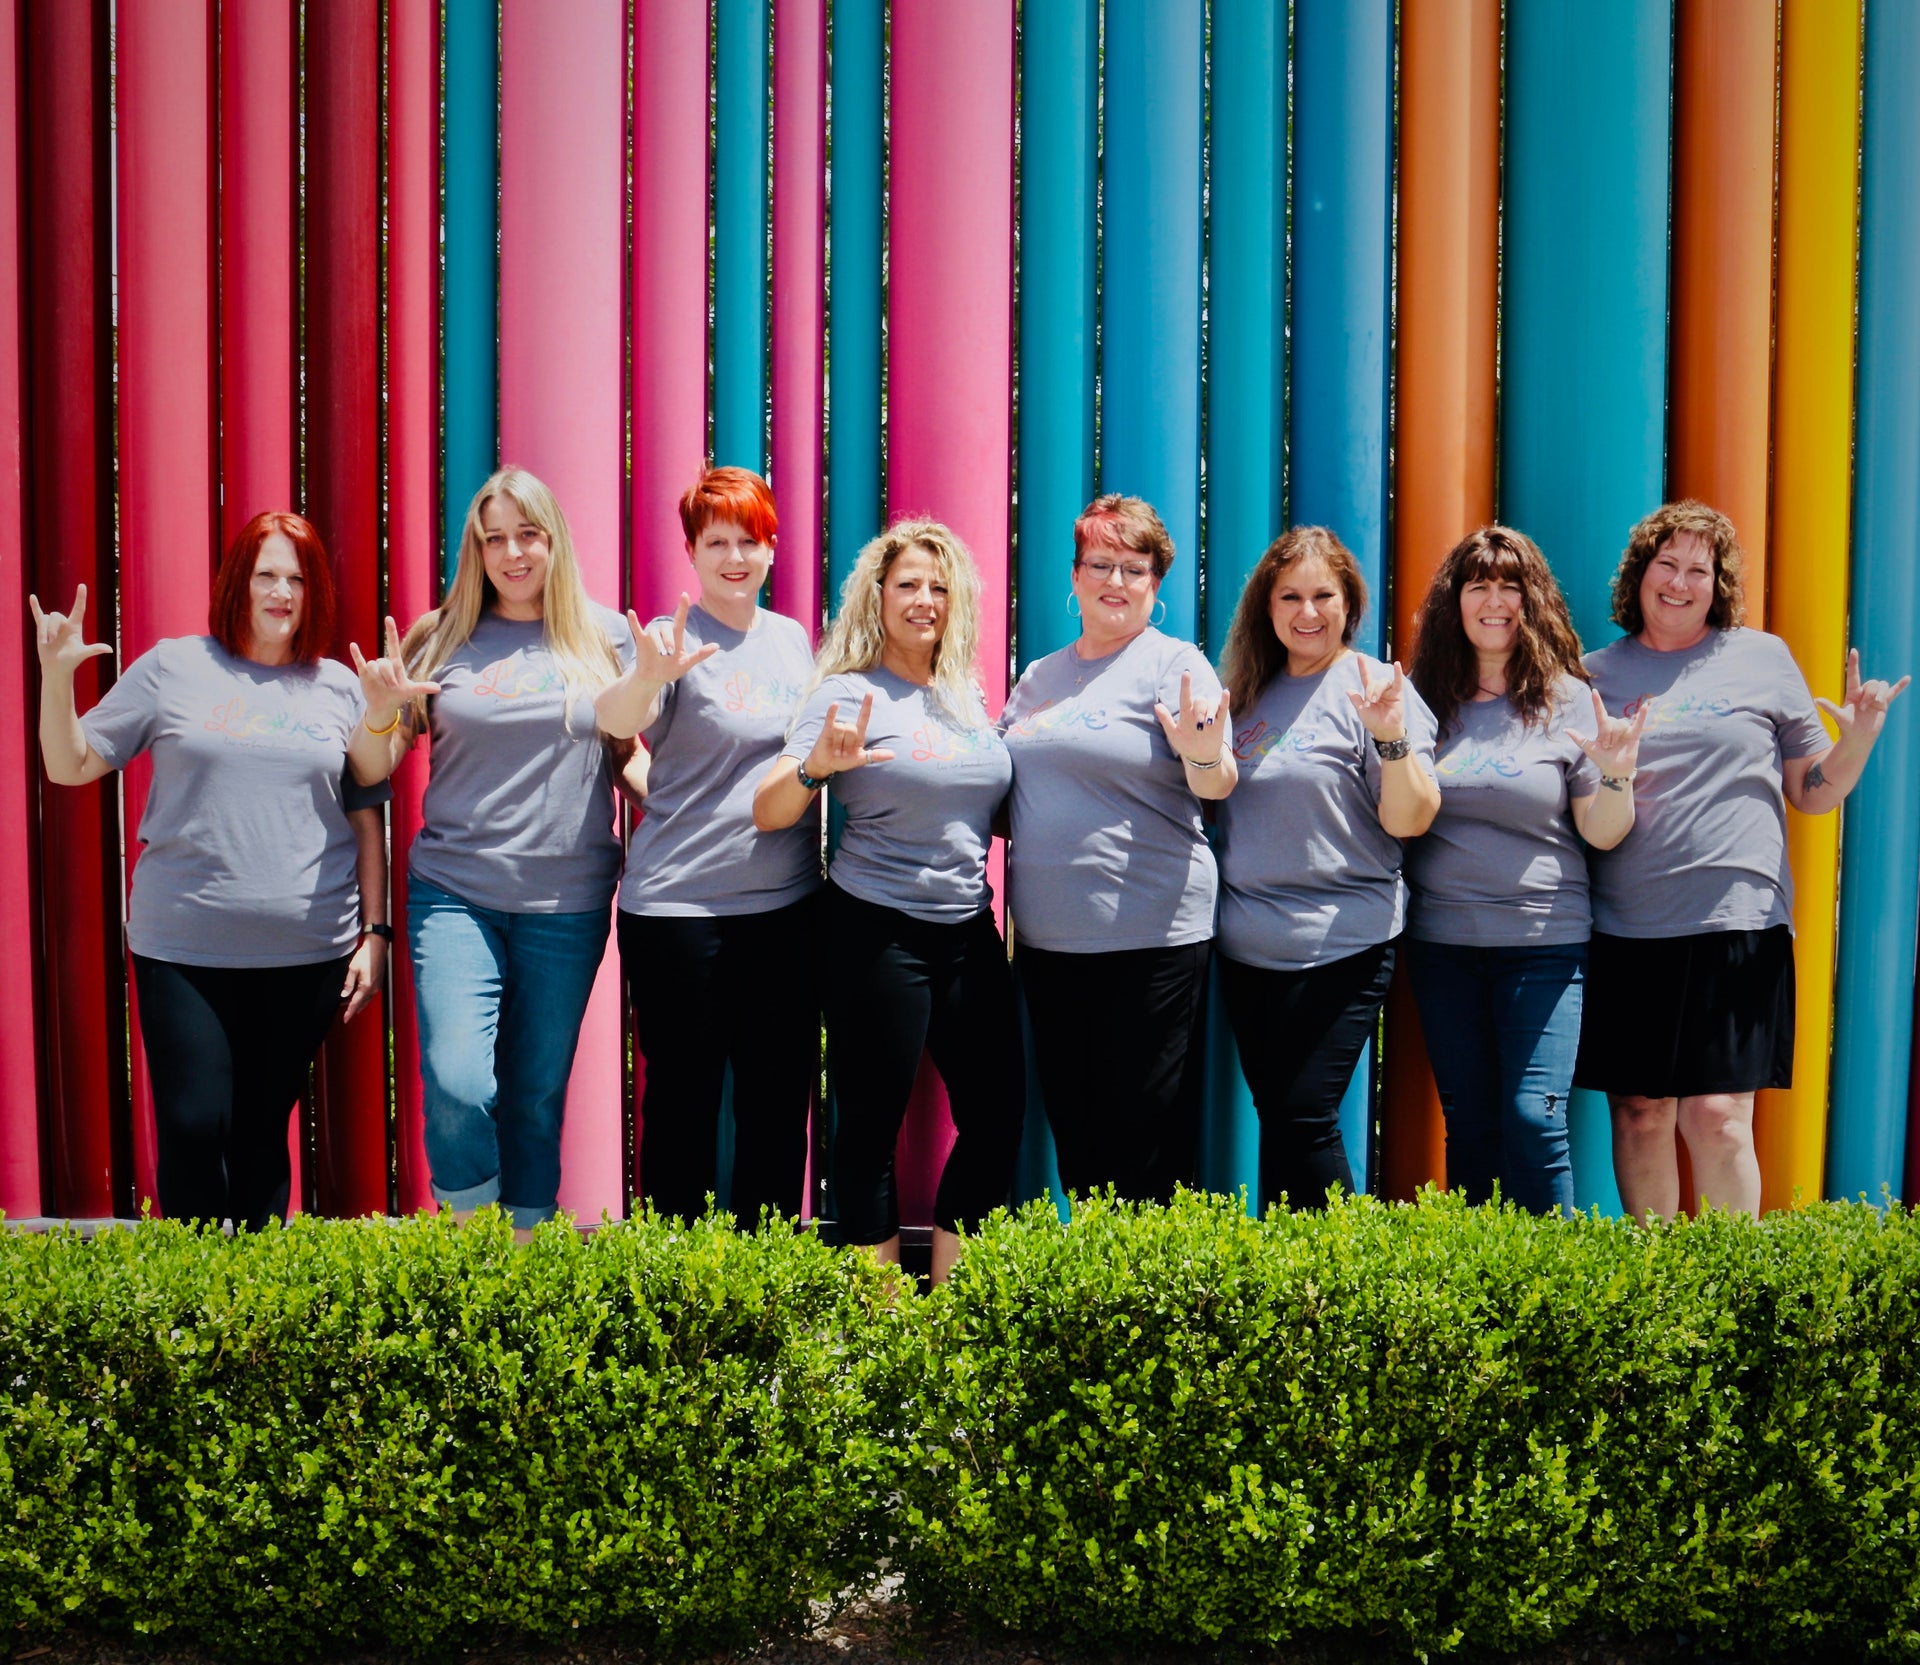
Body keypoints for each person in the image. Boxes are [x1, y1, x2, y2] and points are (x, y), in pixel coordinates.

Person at [32, 513, 389, 1229]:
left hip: (308, 951)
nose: (282, 591)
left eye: (296, 576)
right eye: (266, 574)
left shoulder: (339, 686)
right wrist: (56, 679)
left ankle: (253, 1318)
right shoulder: (173, 667)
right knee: (195, 1127)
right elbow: (68, 764)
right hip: (183, 949)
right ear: (237, 582)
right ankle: (191, 1313)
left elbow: (367, 809)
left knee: (262, 1133)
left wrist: (376, 933)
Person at [1577, 499, 1909, 1219]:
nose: (1680, 581)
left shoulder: (1762, 658)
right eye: (1666, 563)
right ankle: (1654, 1296)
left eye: (1699, 568)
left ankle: (1734, 1294)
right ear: (1639, 574)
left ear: (1717, 582)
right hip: (1626, 928)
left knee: (1719, 1116)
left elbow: (1812, 794)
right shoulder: (1592, 673)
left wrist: (1855, 741)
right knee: (1640, 1113)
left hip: (1740, 923)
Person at [348, 466, 639, 1237]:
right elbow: (372, 769)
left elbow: (626, 758)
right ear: (475, 550)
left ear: (554, 540)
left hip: (566, 903)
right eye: (494, 538)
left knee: (534, 1098)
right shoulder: (438, 635)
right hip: (456, 891)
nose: (512, 553)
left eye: (527, 534)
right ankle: (481, 1254)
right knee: (456, 1079)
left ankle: (526, 1271)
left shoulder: (604, 635)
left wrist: (698, 806)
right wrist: (381, 710)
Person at [753, 518, 1023, 1283]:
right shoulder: (846, 691)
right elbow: (768, 808)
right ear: (879, 594)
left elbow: (984, 805)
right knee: (870, 1127)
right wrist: (813, 769)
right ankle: (883, 1330)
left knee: (998, 1118)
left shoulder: (966, 693)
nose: (924, 599)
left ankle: (946, 1307)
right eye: (908, 583)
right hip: (875, 930)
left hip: (969, 927)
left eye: (939, 586)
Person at [596, 466, 820, 1226]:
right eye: (717, 541)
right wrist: (646, 678)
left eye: (749, 541)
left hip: (786, 908)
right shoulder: (669, 639)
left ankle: (764, 1281)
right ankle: (678, 1289)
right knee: (685, 1106)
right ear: (691, 550)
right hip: (678, 912)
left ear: (770, 549)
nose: (735, 557)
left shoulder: (792, 641)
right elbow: (619, 722)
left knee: (776, 1103)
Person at [998, 494, 1233, 1203]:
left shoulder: (1175, 665)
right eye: (1101, 563)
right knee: (1078, 1135)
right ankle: (1095, 1303)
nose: (1116, 580)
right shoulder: (1038, 676)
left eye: (1135, 568)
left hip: (1152, 939)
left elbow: (1218, 781)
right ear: (1074, 577)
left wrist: (1202, 756)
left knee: (1146, 1143)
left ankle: (1150, 1307)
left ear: (1156, 583)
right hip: (1049, 945)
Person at [1403, 526, 1643, 1213]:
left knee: (1534, 1122)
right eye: (1478, 584)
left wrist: (1618, 776)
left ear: (1533, 599)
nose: (1495, 599)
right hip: (1443, 946)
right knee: (1472, 1127)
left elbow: (1602, 829)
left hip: (1545, 945)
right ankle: (1486, 1293)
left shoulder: (1569, 699)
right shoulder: (1425, 701)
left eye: (1511, 584)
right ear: (1457, 601)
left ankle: (1558, 1299)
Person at [1214, 526, 1441, 1208]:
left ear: (1349, 604)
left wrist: (1391, 737)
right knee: (1283, 1119)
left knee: (1303, 1115)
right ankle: (1297, 1293)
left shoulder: (1376, 688)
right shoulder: (1246, 690)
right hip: (1249, 948)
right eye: (1291, 596)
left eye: (1323, 596)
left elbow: (1412, 816)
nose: (1307, 612)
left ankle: (1346, 1282)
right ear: (1267, 604)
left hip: (1344, 942)